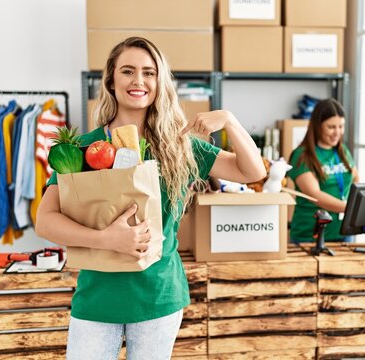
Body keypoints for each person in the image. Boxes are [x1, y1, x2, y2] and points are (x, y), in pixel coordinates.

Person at [35, 37, 265, 360]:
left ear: (160, 82)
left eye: (149, 72)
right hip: (97, 298)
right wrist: (106, 239)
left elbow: (251, 171)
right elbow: (45, 220)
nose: (138, 81)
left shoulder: (180, 147)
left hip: (158, 297)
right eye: (127, 71)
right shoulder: (83, 149)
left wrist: (228, 119)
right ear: (111, 81)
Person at [287, 98, 359, 243]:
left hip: (344, 233)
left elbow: (355, 180)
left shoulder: (342, 151)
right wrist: (352, 209)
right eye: (331, 127)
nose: (337, 133)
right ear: (317, 126)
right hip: (310, 235)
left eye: (341, 126)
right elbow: (315, 195)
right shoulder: (302, 155)